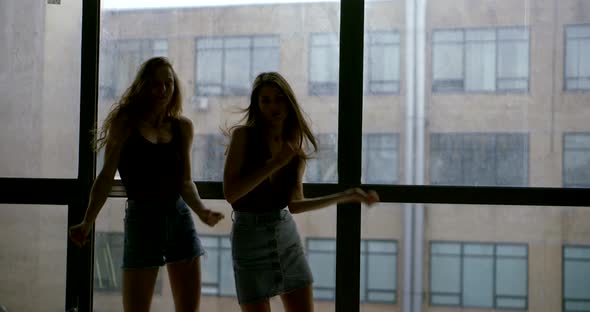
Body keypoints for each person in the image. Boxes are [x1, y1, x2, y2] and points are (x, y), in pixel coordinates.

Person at [69, 56, 224, 312]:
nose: (162, 90)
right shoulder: (125, 123)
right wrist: (88, 220)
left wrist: (202, 211)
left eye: (168, 83)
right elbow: (106, 177)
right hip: (142, 220)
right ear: (143, 86)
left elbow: (185, 181)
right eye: (155, 84)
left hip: (179, 218)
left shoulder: (183, 127)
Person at [223, 72, 379, 312]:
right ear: (257, 105)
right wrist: (275, 163)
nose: (273, 106)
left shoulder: (293, 145)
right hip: (248, 238)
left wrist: (346, 195)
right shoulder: (244, 136)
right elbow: (232, 193)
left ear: (288, 101)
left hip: (285, 236)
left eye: (278, 99)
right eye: (265, 100)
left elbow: (295, 204)